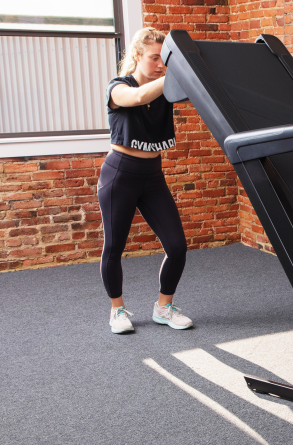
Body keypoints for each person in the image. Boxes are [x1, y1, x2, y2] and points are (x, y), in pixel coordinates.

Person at [99, 27, 192, 334]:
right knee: (114, 247)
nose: (160, 64)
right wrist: (176, 74)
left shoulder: (166, 89)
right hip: (120, 175)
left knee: (177, 246)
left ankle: (163, 307)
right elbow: (137, 97)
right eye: (155, 58)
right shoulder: (118, 87)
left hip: (152, 177)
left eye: (165, 59)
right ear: (137, 56)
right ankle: (117, 310)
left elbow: (197, 94)